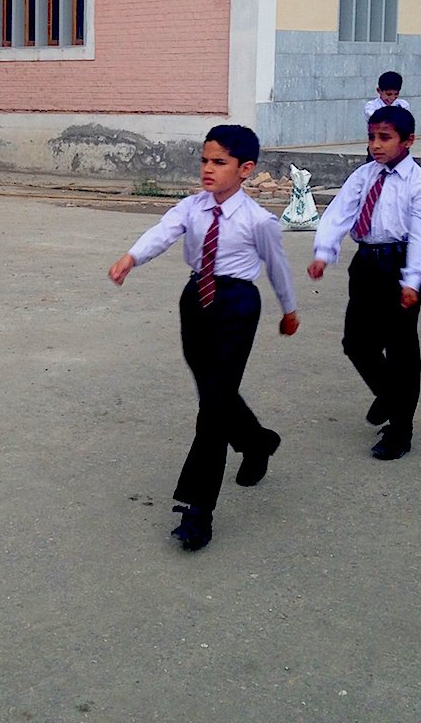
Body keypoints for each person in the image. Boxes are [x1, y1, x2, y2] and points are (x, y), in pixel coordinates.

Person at [108, 125, 300, 551]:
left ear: (245, 169)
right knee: (213, 391)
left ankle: (198, 510)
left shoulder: (258, 221)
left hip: (236, 305)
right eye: (204, 160)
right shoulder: (191, 207)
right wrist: (130, 257)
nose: (207, 170)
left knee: (212, 409)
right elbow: (162, 232)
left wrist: (289, 309)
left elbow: (278, 267)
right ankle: (257, 441)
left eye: (219, 162)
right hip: (197, 300)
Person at [308, 106, 421, 460]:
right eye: (371, 137)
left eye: (385, 138)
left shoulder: (419, 186)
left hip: (399, 267)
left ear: (408, 141)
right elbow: (340, 213)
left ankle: (399, 431)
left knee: (401, 351)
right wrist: (324, 251)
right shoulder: (365, 176)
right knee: (356, 342)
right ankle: (388, 394)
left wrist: (413, 280)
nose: (376, 145)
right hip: (365, 264)